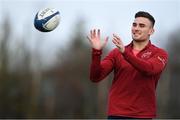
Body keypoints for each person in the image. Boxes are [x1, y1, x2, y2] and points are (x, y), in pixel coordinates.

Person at [87, 11, 168, 119]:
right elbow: (95, 77)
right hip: (117, 114)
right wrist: (96, 52)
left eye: (142, 26)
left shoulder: (160, 53)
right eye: (134, 25)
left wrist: (125, 53)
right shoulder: (116, 53)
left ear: (151, 31)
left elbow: (149, 69)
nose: (136, 28)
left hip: (142, 115)